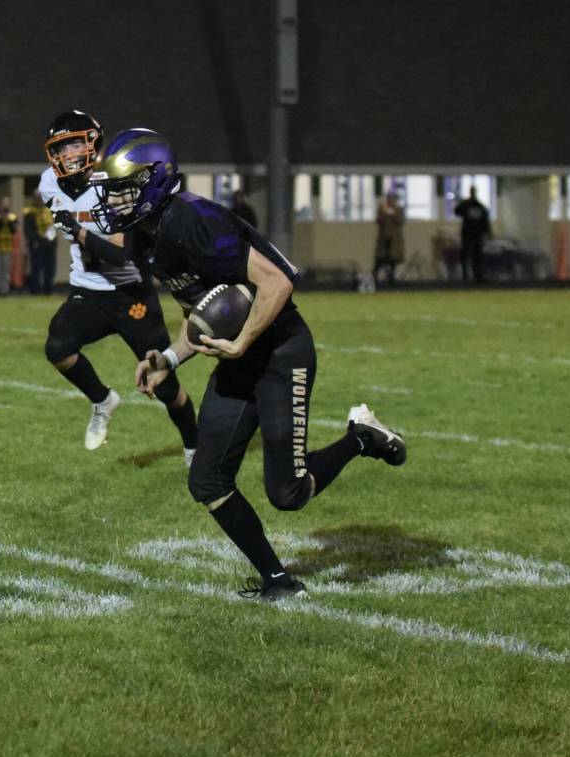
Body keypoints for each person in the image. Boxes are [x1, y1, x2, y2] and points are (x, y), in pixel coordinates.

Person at [90, 129, 407, 601]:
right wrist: (169, 358)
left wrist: (241, 343)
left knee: (288, 493)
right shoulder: (148, 237)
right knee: (207, 480)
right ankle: (279, 582)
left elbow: (277, 283)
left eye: (123, 189)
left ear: (154, 181)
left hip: (280, 352)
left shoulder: (195, 219)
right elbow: (201, 312)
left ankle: (362, 437)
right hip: (241, 359)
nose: (114, 201)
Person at [39, 109, 198, 461]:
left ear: (93, 143)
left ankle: (193, 444)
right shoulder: (48, 183)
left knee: (163, 383)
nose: (67, 155)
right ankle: (102, 400)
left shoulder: (114, 180)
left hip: (131, 295)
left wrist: (78, 230)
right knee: (58, 346)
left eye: (73, 145)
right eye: (60, 149)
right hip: (87, 291)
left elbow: (121, 254)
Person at [454, 186, 491, 283]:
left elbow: (485, 221)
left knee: (475, 257)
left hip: (473, 235)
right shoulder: (474, 205)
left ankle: (475, 277)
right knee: (469, 256)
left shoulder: (478, 206)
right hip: (470, 235)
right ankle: (469, 276)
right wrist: (487, 232)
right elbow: (457, 211)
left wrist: (488, 232)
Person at [23, 190, 56, 295]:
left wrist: (54, 241)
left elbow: (53, 227)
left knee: (50, 268)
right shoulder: (30, 212)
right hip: (37, 244)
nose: (40, 200)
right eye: (38, 197)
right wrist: (35, 240)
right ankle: (35, 290)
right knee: (36, 268)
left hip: (49, 244)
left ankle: (48, 290)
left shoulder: (48, 211)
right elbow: (28, 229)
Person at [374, 191, 405, 286]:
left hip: (394, 239)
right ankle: (374, 278)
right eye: (389, 199)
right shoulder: (382, 209)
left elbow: (401, 221)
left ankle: (391, 279)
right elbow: (378, 221)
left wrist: (392, 213)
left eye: (392, 199)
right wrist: (385, 213)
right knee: (380, 260)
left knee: (393, 260)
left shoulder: (399, 209)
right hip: (384, 238)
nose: (390, 201)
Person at [0, 196, 18, 297]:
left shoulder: (12, 217)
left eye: (7, 203)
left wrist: (8, 220)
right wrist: (2, 219)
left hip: (7, 246)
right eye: (4, 203)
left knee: (5, 270)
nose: (5, 206)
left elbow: (13, 230)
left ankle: (5, 290)